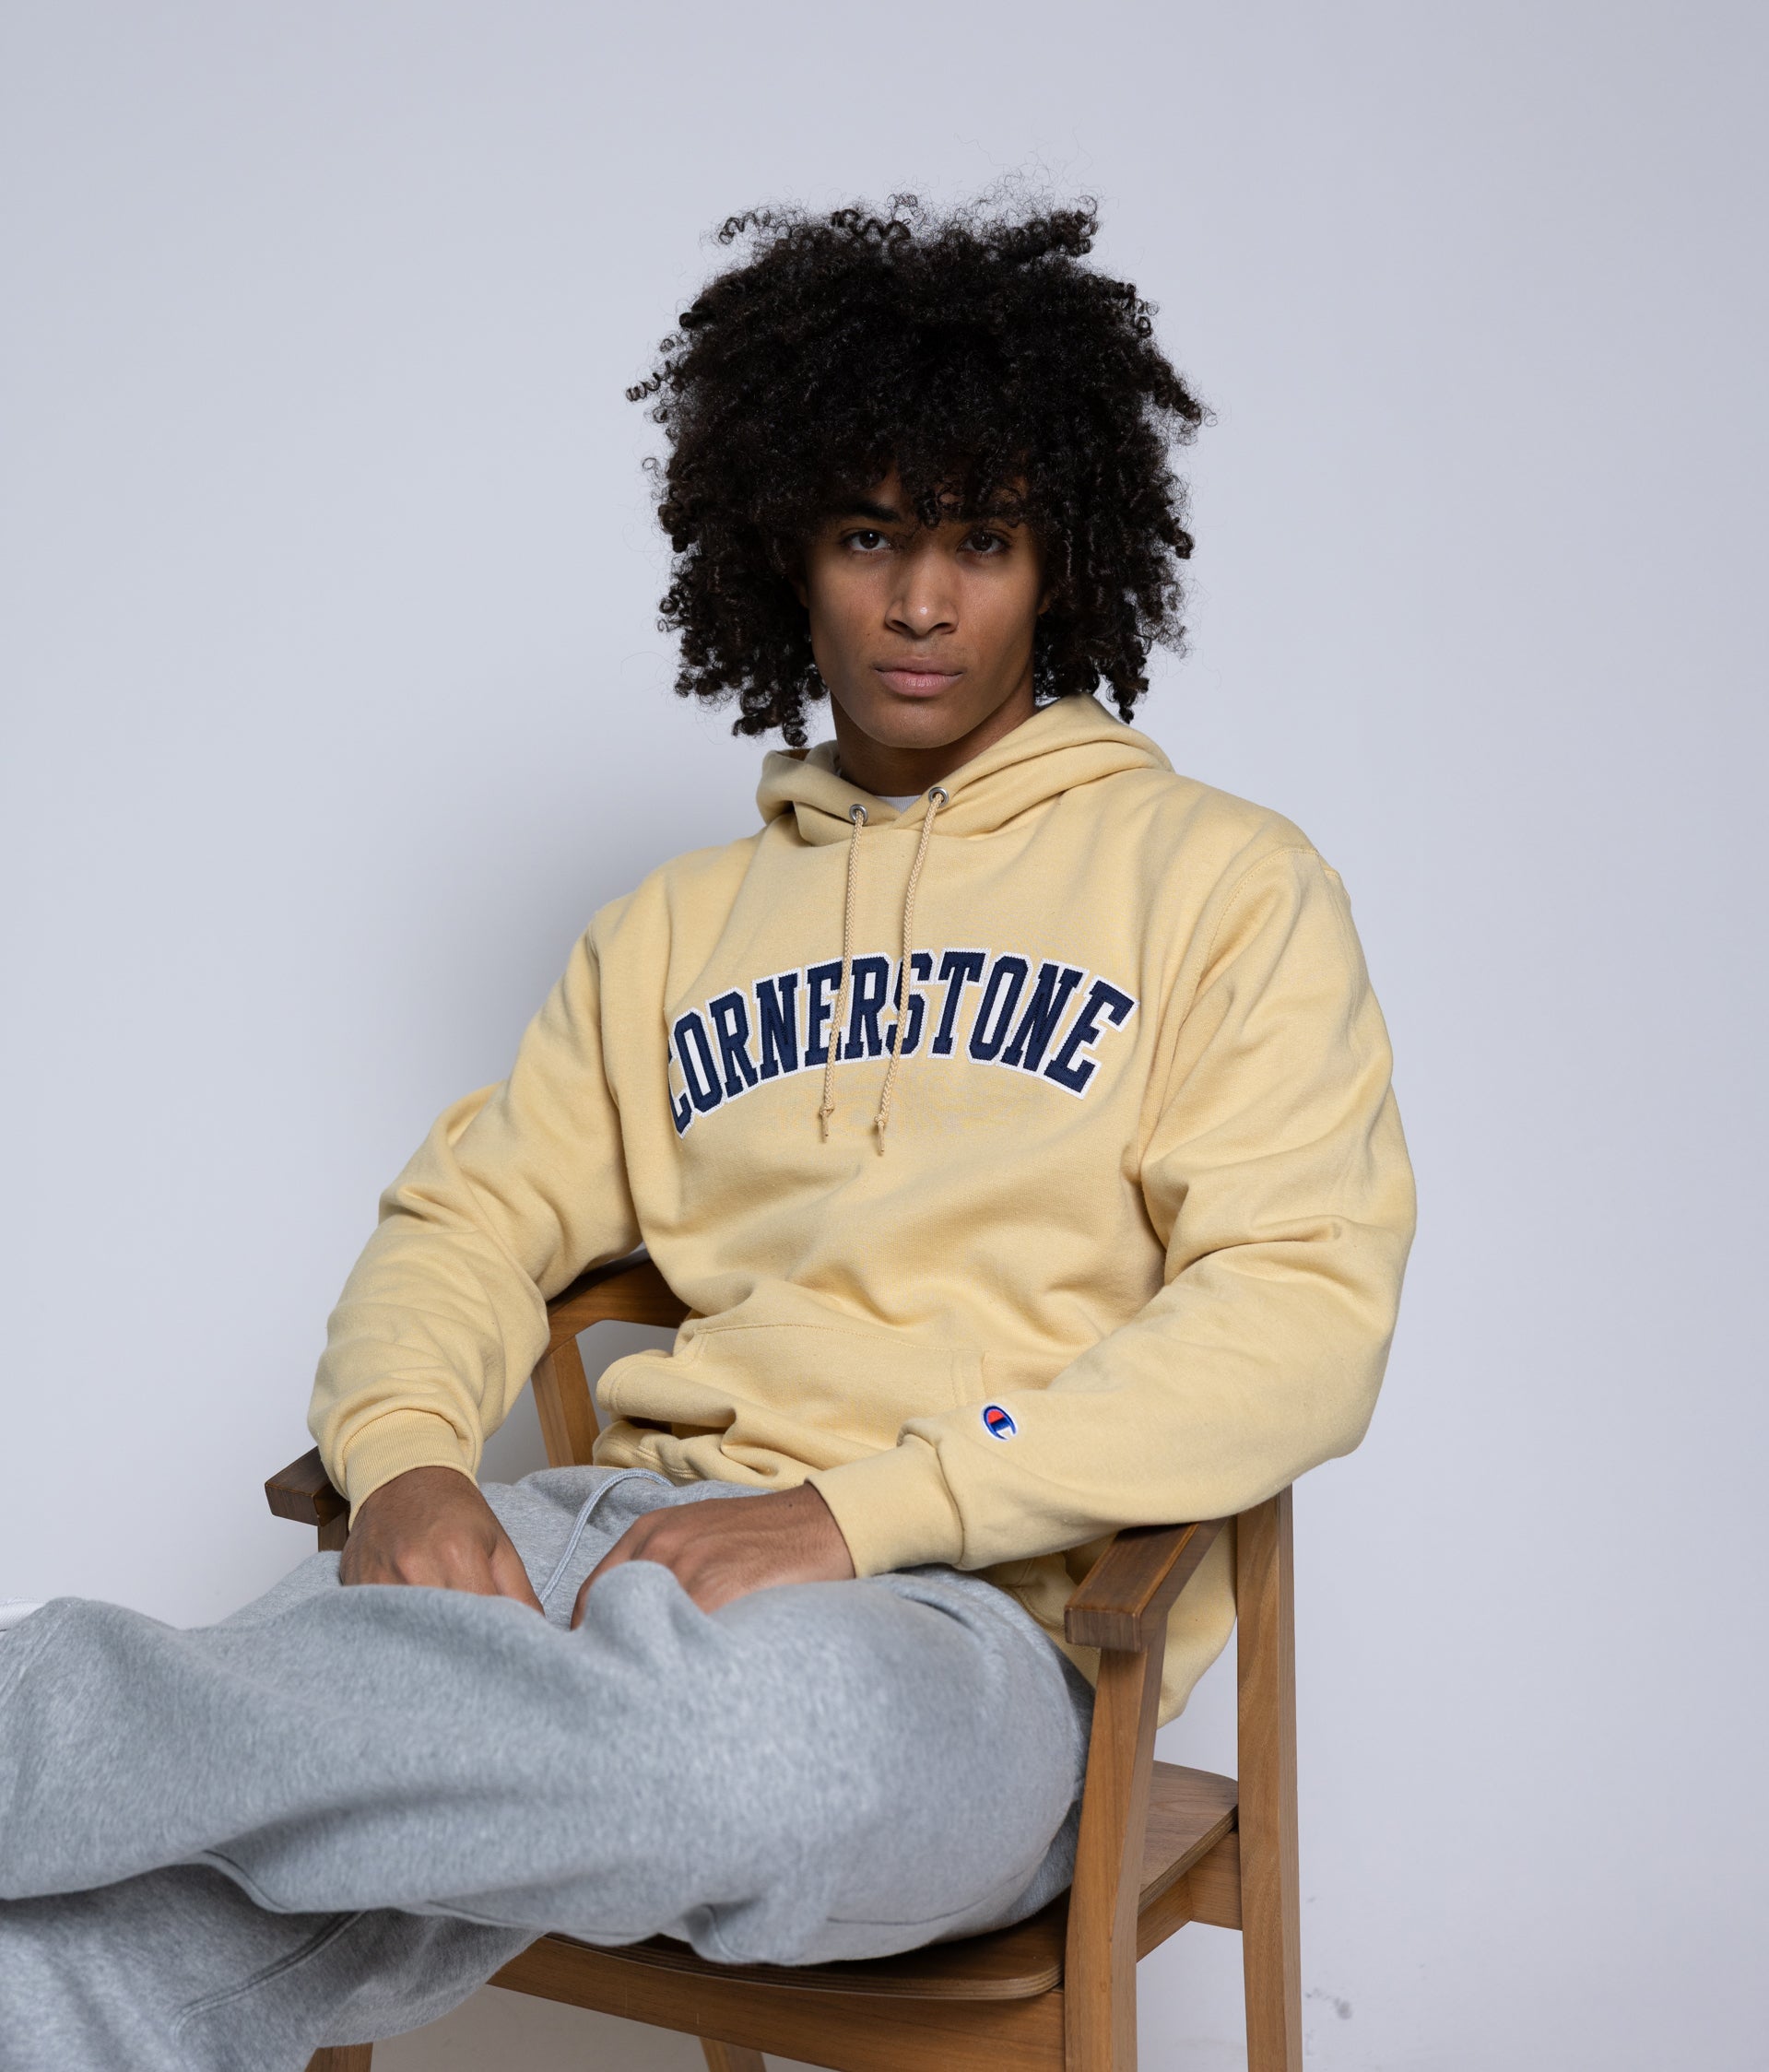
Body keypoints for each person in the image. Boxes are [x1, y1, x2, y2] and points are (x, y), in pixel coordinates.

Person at [0, 197, 1415, 2069]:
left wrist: (860, 1509)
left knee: (741, 1756)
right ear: (787, 560)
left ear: (1060, 562)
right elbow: (467, 1220)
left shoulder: (1224, 885)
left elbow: (1302, 1311)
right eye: (867, 537)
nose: (921, 603)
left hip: (971, 1627)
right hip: (593, 1548)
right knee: (84, 1957)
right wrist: (412, 1456)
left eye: (979, 541)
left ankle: (38, 1727)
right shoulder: (666, 933)